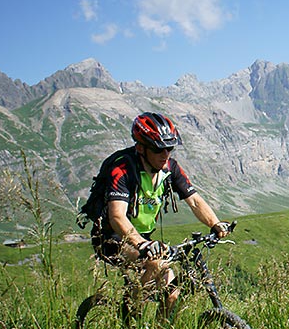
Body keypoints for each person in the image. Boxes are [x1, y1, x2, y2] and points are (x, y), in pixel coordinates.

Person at [92, 111, 234, 316]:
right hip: (112, 238)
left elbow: (193, 200)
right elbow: (117, 216)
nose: (165, 154)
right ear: (141, 148)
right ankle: (130, 313)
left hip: (145, 239)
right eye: (159, 149)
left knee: (172, 292)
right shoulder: (122, 169)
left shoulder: (169, 168)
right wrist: (141, 243)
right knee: (156, 263)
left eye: (169, 148)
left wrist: (215, 223)